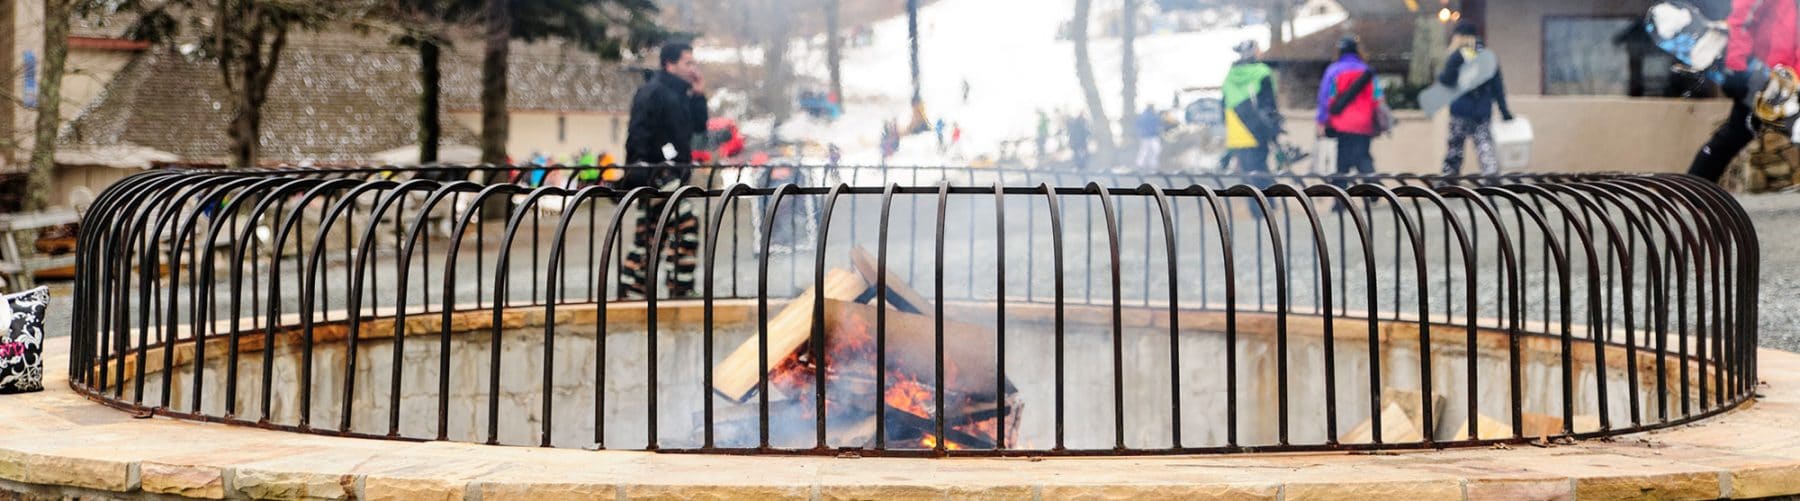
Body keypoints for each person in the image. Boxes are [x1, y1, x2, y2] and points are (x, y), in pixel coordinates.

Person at [621, 42, 709, 299]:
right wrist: (640, 168)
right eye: (687, 62)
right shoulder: (653, 92)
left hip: (673, 173)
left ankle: (632, 288)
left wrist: (699, 94)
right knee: (686, 224)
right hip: (656, 174)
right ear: (670, 64)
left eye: (694, 62)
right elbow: (638, 133)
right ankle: (679, 288)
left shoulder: (681, 93)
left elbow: (699, 127)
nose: (693, 68)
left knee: (649, 234)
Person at [1687, 0, 1800, 182]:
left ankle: (1694, 191)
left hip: (1790, 79)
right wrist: (1736, 67)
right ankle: (1693, 192)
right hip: (1765, 79)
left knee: (1734, 135)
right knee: (1734, 134)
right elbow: (1740, 19)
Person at [1439, 21, 1515, 176]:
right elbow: (1498, 87)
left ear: (1460, 36)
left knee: (1455, 146)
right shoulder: (1488, 56)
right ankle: (1490, 174)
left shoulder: (1458, 55)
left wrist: (1440, 76)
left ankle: (1449, 179)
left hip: (1460, 109)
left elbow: (1447, 79)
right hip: (1482, 110)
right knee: (1484, 144)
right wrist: (1504, 111)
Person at [1317, 35, 1381, 182]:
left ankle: (1340, 199)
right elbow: (1377, 97)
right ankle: (1374, 191)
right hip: (1364, 123)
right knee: (1364, 157)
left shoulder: (1333, 71)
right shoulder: (1367, 71)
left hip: (1342, 124)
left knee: (1342, 162)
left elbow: (1325, 98)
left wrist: (1322, 121)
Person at [1222, 40, 1282, 188]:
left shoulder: (1230, 76)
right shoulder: (1262, 72)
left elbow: (1223, 105)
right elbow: (1270, 103)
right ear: (1254, 52)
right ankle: (1267, 205)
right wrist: (1275, 126)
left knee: (1247, 174)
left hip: (1236, 131)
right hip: (1257, 129)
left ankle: (1255, 209)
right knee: (1260, 169)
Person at [1136, 105, 1164, 171]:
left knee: (1154, 150)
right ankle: (1141, 165)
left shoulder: (1151, 115)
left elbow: (1159, 124)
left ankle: (1152, 165)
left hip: (1152, 136)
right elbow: (1139, 125)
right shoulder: (1147, 115)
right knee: (1146, 151)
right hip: (1147, 136)